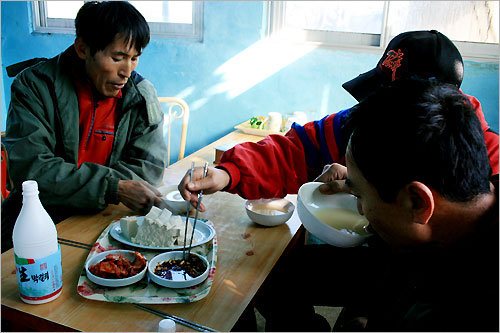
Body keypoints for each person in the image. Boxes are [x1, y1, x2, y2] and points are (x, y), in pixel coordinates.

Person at [251, 78, 499, 331]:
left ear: (417, 202)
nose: (360, 209)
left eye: (359, 197)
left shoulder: (471, 310)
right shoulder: (464, 209)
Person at [179, 30, 499, 209]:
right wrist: (229, 172)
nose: (378, 110)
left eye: (393, 102)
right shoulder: (366, 123)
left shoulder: (485, 152)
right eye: (380, 95)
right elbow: (298, 148)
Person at [1, 1, 167, 252]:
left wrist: (110, 191)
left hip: (107, 223)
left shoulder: (139, 94)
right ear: (82, 49)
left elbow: (149, 167)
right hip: (36, 224)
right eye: (117, 58)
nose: (127, 71)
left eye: (135, 58)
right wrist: (112, 187)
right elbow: (32, 170)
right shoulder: (35, 86)